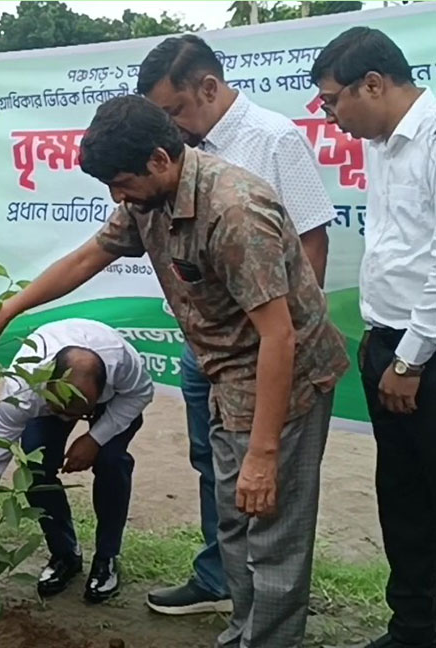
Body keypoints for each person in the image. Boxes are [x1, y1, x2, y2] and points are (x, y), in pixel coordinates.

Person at [0, 96, 350, 648]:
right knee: (235, 522)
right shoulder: (149, 199)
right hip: (228, 378)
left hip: (285, 383)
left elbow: (279, 335)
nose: (117, 197)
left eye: (122, 182)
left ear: (159, 159)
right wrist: (9, 310)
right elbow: (85, 259)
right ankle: (245, 632)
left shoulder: (234, 211)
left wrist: (264, 455)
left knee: (271, 534)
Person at [136, 33, 336, 616]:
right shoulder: (176, 157)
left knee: (263, 482)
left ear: (208, 86)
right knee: (218, 470)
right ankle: (221, 577)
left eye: (174, 112)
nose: (171, 128)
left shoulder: (270, 139)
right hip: (209, 352)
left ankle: (261, 607)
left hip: (269, 354)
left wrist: (284, 349)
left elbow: (311, 241)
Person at [312, 28, 436, 648]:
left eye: (334, 101)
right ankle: (413, 628)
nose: (331, 117)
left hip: (424, 353)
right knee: (404, 499)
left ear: (374, 84)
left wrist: (410, 359)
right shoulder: (382, 145)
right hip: (388, 344)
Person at [0, 319, 153, 603]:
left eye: (76, 412)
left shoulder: (123, 364)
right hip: (46, 395)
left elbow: (141, 394)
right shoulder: (23, 385)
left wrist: (94, 438)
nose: (68, 419)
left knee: (112, 462)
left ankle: (107, 558)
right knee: (34, 466)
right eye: (59, 408)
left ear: (100, 392)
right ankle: (65, 554)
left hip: (114, 403)